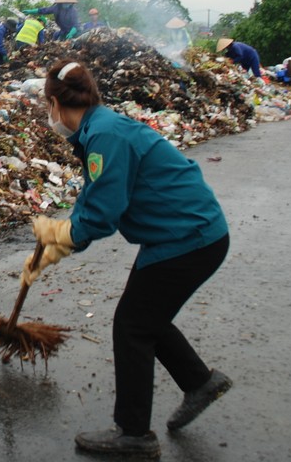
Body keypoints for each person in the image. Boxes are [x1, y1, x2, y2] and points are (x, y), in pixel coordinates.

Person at [23, 59, 231, 459]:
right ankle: (200, 382)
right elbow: (94, 200)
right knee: (146, 316)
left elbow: (103, 213)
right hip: (183, 235)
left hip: (189, 239)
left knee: (133, 325)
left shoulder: (104, 136)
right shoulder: (98, 129)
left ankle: (134, 434)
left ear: (54, 103)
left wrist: (59, 233)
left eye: (47, 108)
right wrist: (53, 251)